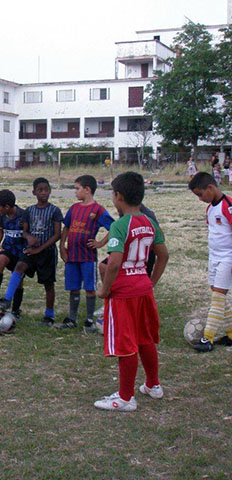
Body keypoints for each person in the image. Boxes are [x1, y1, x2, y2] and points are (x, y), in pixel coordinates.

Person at [94, 171, 168, 412]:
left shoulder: (119, 225)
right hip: (143, 289)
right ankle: (153, 385)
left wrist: (104, 290)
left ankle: (125, 398)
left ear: (119, 196)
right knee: (145, 338)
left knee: (126, 343)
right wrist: (151, 282)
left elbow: (114, 262)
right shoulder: (149, 222)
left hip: (124, 293)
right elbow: (163, 255)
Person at [0, 178, 63, 326]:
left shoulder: (55, 211)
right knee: (19, 267)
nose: (44, 192)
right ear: (34, 192)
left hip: (47, 252)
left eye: (46, 189)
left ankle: (49, 315)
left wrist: (40, 247)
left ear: (50, 191)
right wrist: (29, 237)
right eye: (40, 190)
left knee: (48, 284)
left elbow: (57, 234)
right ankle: (7, 300)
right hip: (30, 250)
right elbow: (24, 232)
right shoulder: (29, 211)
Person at [57, 175, 114, 332]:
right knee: (73, 287)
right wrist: (62, 245)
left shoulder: (98, 210)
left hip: (87, 257)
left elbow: (114, 227)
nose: (75, 192)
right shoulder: (74, 208)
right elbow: (66, 227)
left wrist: (100, 243)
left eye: (77, 188)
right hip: (72, 255)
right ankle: (72, 318)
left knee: (90, 287)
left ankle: (89, 320)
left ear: (87, 190)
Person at [188, 172, 232, 352]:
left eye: (200, 194)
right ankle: (230, 333)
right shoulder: (209, 209)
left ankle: (208, 338)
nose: (200, 199)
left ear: (211, 188)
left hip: (228, 257)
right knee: (217, 294)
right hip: (214, 257)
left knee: (218, 297)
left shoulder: (227, 206)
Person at [0, 189, 36, 318]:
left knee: (18, 281)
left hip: (22, 253)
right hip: (8, 249)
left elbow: (30, 233)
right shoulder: (2, 216)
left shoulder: (23, 215)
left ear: (7, 206)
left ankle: (15, 310)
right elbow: (1, 231)